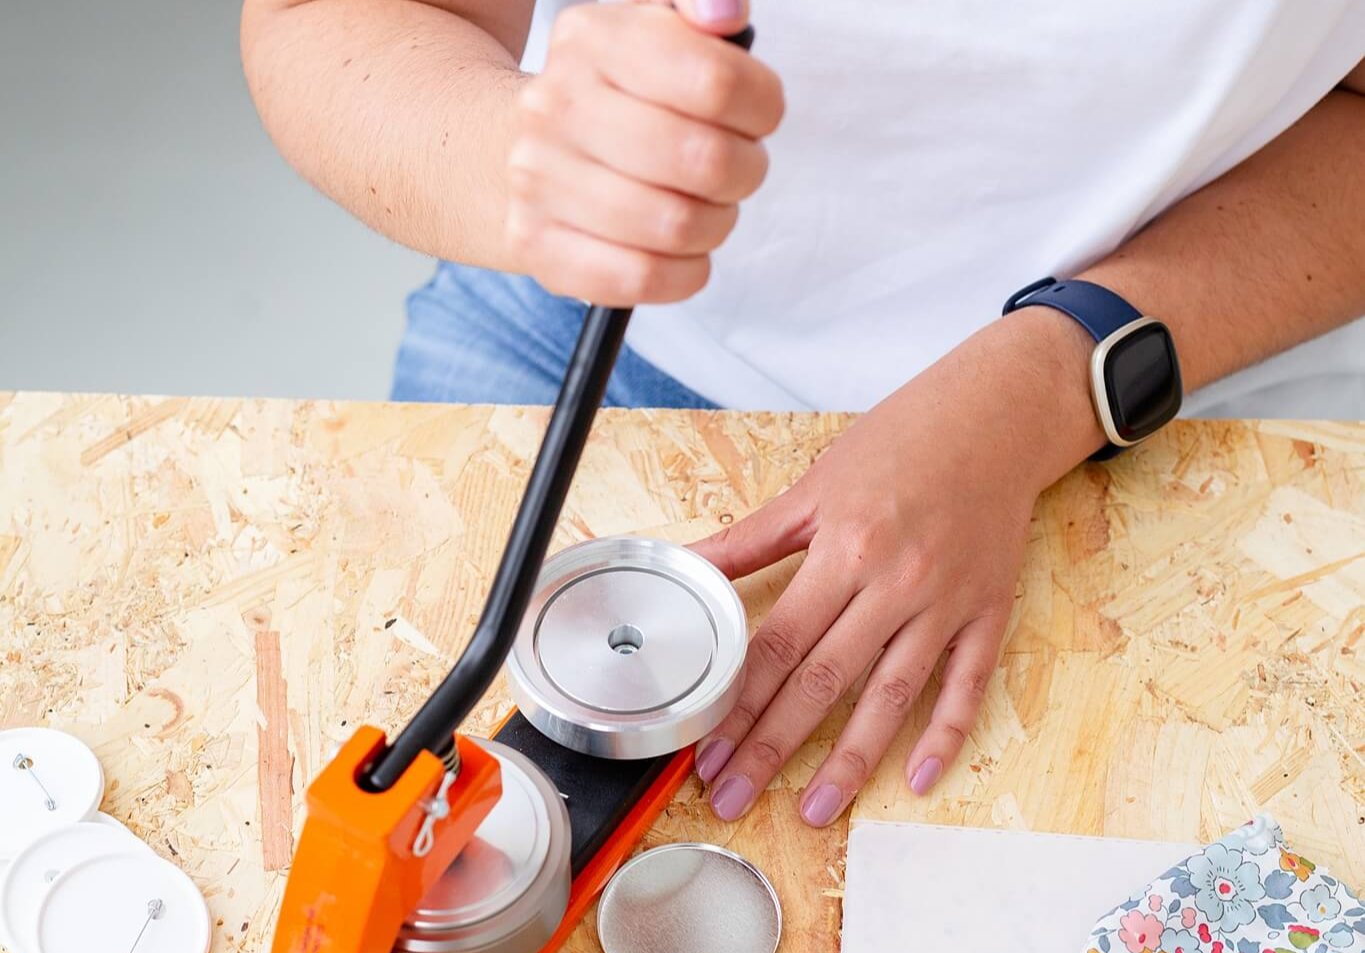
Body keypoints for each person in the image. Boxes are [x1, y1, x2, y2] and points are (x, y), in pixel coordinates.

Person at [240, 0, 1365, 827]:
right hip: (578, 318)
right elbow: (331, 21)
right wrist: (525, 162)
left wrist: (1040, 388)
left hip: (1150, 388)